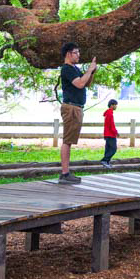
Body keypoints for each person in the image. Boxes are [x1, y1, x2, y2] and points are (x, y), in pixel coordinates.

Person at [59, 41, 97, 184]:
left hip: (77, 107)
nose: (79, 55)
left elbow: (86, 83)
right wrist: (88, 70)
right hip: (71, 108)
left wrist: (91, 72)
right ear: (69, 54)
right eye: (76, 52)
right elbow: (80, 84)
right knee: (67, 140)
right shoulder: (67, 69)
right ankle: (65, 173)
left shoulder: (74, 68)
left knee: (70, 140)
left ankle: (66, 172)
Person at [101, 99, 119, 168]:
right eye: (115, 105)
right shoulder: (110, 114)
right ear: (112, 105)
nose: (116, 107)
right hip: (110, 134)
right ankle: (105, 160)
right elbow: (111, 125)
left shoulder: (108, 113)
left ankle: (107, 163)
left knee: (108, 148)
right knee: (113, 149)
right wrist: (116, 132)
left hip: (107, 134)